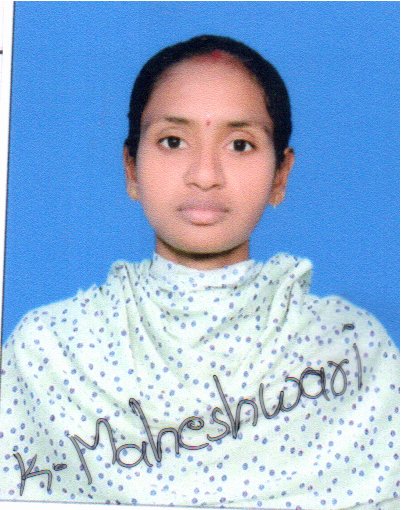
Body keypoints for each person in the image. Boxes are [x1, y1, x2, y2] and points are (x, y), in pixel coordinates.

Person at [0, 35, 399, 509]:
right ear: (131, 167)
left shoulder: (350, 347)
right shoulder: (51, 350)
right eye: (172, 141)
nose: (205, 175)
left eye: (240, 145)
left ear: (280, 175)